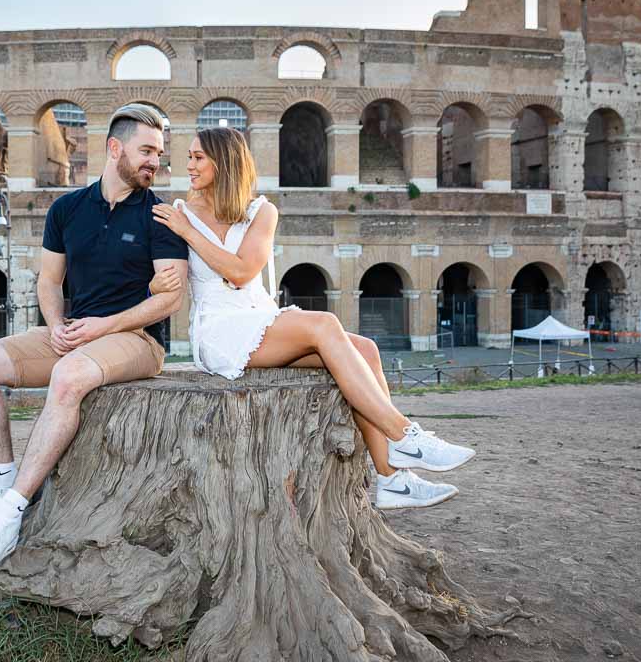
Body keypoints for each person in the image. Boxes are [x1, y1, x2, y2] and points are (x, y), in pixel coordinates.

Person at [148, 127, 473, 510]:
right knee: (323, 324)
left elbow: (243, 270)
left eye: (198, 157)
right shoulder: (180, 213)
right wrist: (158, 281)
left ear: (226, 161)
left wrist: (190, 232)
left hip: (262, 319)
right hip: (219, 330)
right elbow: (179, 281)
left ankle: (392, 481)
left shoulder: (261, 211)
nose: (188, 165)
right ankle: (403, 434)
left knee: (365, 350)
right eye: (188, 156)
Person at [0, 104, 189, 566]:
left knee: (68, 377)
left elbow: (169, 300)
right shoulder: (66, 209)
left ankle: (11, 511)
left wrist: (105, 325)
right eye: (146, 151)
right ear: (114, 148)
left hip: (137, 339)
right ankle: (0, 476)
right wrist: (57, 324)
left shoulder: (161, 217)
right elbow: (48, 281)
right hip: (75, 331)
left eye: (159, 154)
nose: (154, 162)